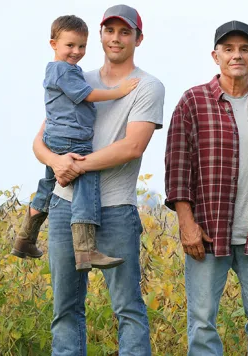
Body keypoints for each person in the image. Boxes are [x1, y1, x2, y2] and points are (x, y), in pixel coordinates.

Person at [30, 4, 164, 355]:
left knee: (128, 309)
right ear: (100, 34)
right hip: (64, 207)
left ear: (138, 38)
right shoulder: (75, 76)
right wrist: (58, 163)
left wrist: (77, 166)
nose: (115, 38)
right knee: (66, 310)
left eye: (125, 32)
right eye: (109, 31)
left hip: (116, 209)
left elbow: (132, 147)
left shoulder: (147, 86)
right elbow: (40, 141)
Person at [164, 20, 248, 355]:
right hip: (207, 233)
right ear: (215, 55)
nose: (236, 55)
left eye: (243, 49)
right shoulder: (193, 102)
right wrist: (186, 224)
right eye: (228, 49)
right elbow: (178, 169)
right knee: (202, 322)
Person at [11, 14, 139, 271]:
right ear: (53, 44)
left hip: (57, 136)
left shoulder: (64, 70)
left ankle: (24, 239)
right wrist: (118, 92)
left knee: (48, 185)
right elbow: (87, 94)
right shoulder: (62, 70)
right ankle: (86, 250)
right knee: (87, 183)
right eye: (70, 45)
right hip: (71, 138)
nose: (76, 51)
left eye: (82, 46)